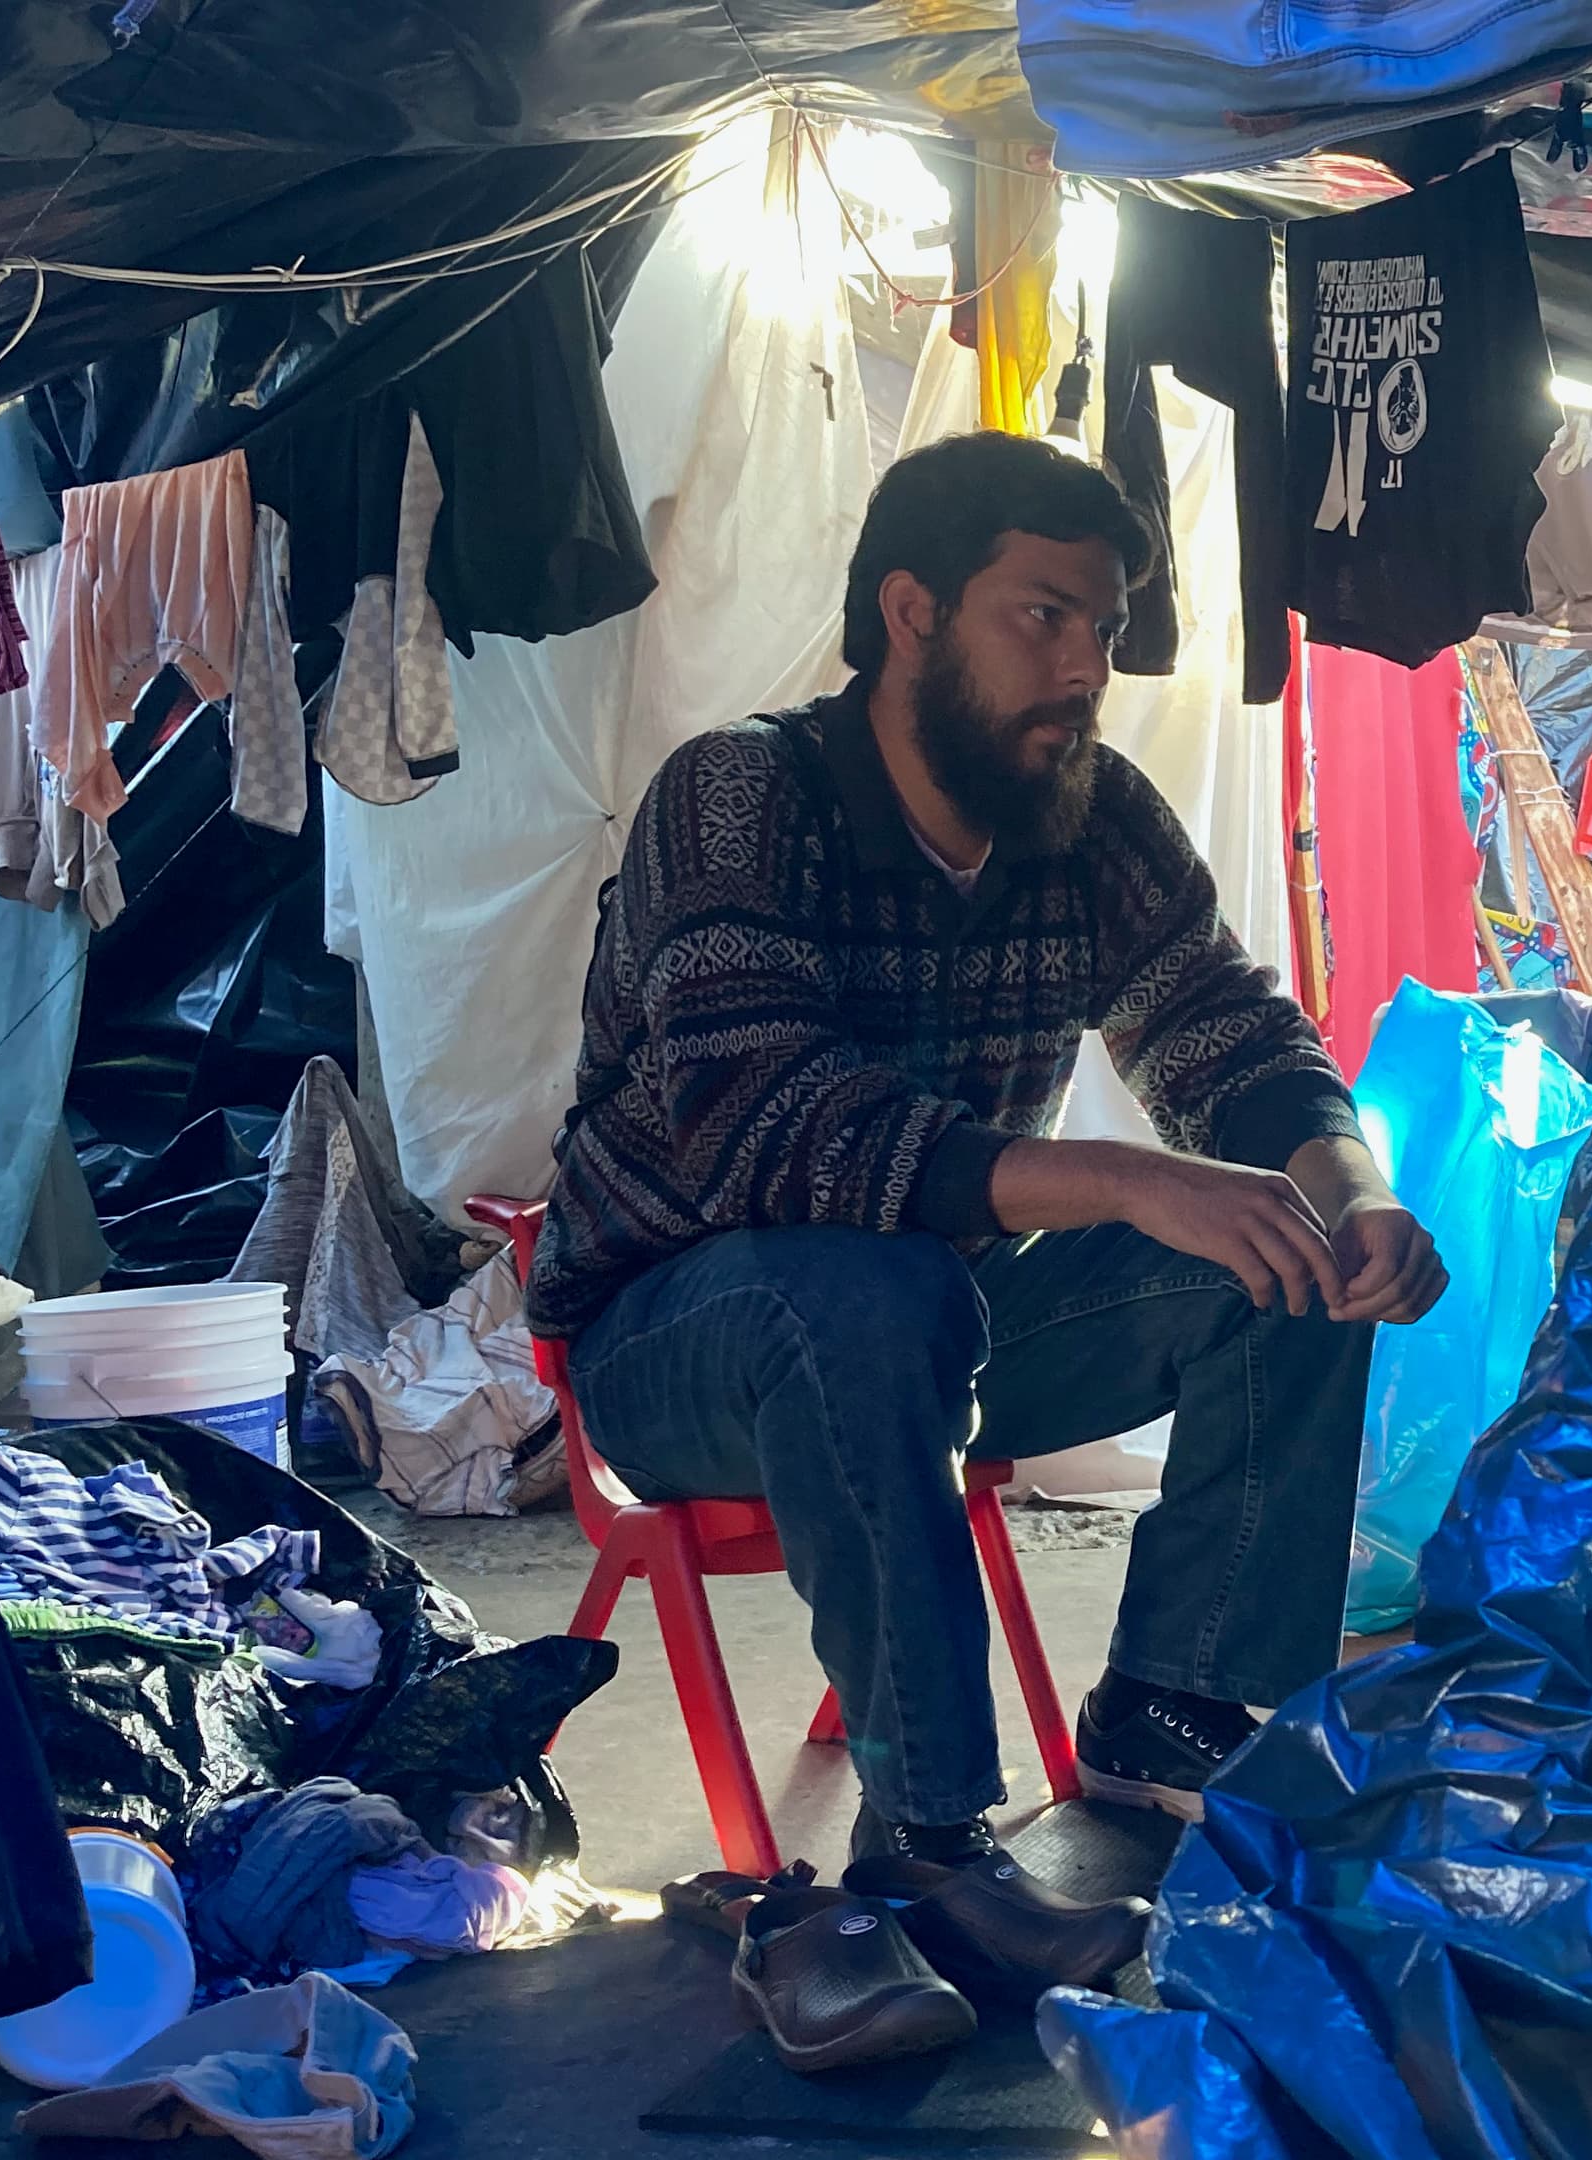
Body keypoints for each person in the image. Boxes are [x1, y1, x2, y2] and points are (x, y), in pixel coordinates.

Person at [528, 431, 1447, 1983]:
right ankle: (930, 1847)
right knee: (870, 1292)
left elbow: (1227, 1029)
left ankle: (1182, 1707)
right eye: (1045, 615)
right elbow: (766, 1125)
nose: (1087, 664)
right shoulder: (737, 798)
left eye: (1102, 625)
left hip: (936, 1316)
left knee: (1274, 1258)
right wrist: (1136, 1179)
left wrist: (1339, 1180)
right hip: (675, 1338)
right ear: (911, 611)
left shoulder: (1088, 821)